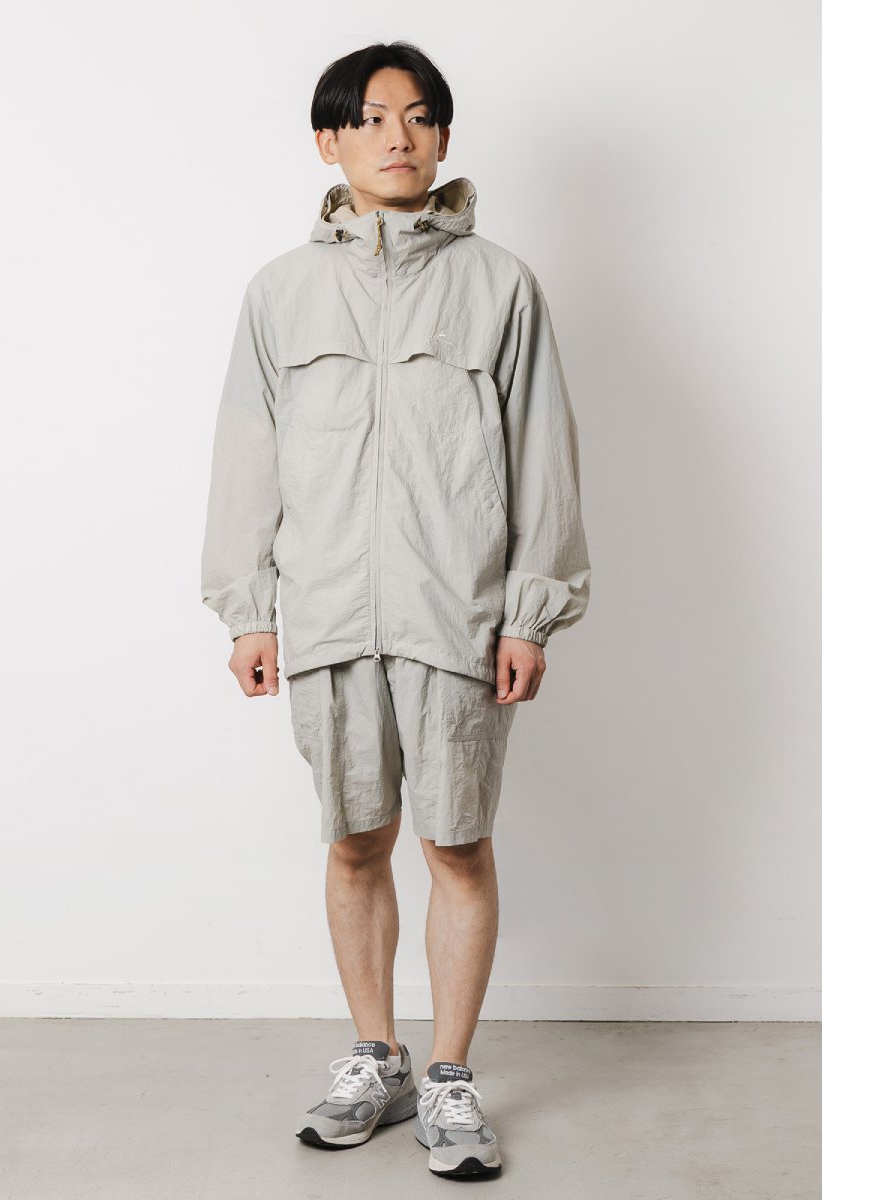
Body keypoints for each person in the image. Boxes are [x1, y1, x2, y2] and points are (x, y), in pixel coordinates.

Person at [199, 40, 590, 1178]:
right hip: (326, 613)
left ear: (444, 137)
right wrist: (249, 610)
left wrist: (529, 613)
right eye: (371, 118)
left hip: (456, 612)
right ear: (329, 141)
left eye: (418, 117)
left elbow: (543, 456)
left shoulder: (501, 285)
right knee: (355, 839)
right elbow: (245, 457)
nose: (397, 137)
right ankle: (376, 1058)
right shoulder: (280, 292)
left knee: (456, 843)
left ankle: (452, 1076)